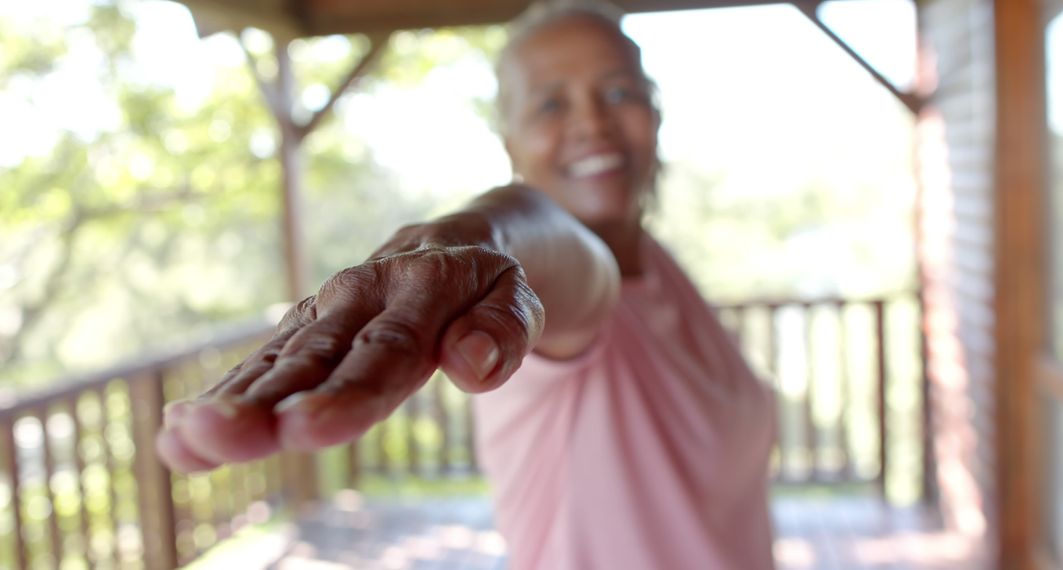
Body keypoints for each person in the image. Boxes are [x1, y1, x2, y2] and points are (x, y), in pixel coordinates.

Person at [157, 2, 777, 568]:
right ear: (511, 143)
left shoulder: (658, 263)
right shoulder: (549, 294)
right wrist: (478, 237)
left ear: (655, 111)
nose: (593, 122)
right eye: (551, 104)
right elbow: (560, 253)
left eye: (618, 91)